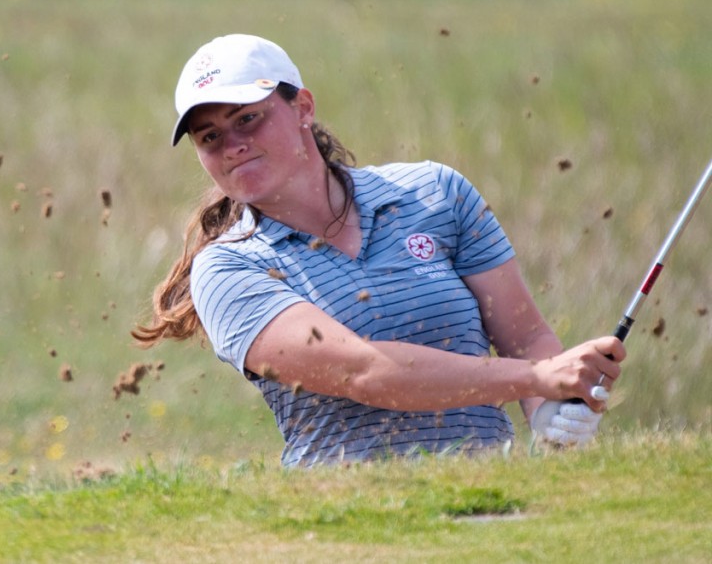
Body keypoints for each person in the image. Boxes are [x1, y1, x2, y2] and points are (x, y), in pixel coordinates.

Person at [132, 33, 624, 466]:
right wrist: (539, 378)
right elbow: (363, 371)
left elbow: (526, 334)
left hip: (488, 495)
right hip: (346, 520)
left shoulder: (435, 193)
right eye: (210, 136)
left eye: (248, 119)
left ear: (303, 107)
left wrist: (551, 415)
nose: (233, 145)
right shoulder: (228, 268)